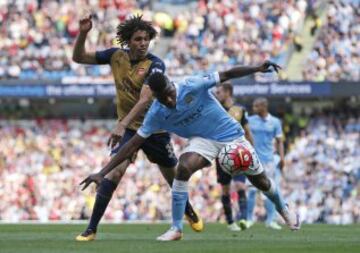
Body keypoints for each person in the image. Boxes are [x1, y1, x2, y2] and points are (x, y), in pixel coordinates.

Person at [80, 60, 301, 241]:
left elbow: (226, 74)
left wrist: (256, 68)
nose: (169, 99)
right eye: (162, 98)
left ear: (170, 84)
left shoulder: (192, 84)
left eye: (169, 93)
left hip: (229, 134)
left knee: (259, 180)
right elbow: (131, 144)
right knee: (183, 168)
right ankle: (176, 228)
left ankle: (283, 208)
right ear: (154, 97)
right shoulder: (156, 113)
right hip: (202, 140)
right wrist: (103, 171)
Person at [72, 14, 202, 241]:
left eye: (146, 39)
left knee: (173, 178)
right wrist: (83, 33)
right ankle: (91, 229)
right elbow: (79, 57)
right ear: (128, 41)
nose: (143, 43)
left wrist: (121, 124)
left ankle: (188, 209)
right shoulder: (115, 56)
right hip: (130, 130)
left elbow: (145, 99)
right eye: (138, 39)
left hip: (154, 129)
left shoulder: (156, 64)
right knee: (114, 173)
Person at [214, 83, 254, 231]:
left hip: (238, 154)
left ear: (228, 92)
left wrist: (252, 150)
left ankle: (243, 218)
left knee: (240, 185)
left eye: (219, 92)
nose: (217, 94)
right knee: (225, 189)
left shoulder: (240, 110)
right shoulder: (215, 109)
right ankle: (230, 222)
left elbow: (247, 132)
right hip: (221, 154)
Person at [246, 97, 285, 230]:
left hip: (268, 160)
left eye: (256, 106)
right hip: (252, 160)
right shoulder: (250, 121)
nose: (254, 109)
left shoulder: (275, 122)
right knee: (251, 191)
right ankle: (249, 219)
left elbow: (280, 141)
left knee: (269, 191)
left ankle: (270, 220)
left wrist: (282, 158)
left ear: (264, 106)